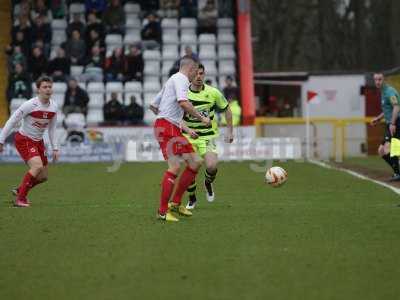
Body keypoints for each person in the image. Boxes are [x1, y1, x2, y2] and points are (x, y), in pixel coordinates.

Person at [149, 56, 211, 222]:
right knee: (175, 167)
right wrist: (201, 118)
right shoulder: (181, 79)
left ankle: (175, 203)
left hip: (170, 126)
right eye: (195, 72)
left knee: (195, 161)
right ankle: (162, 211)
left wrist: (182, 126)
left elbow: (153, 106)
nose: (195, 76)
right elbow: (183, 103)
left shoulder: (172, 80)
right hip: (167, 127)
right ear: (190, 69)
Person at [0, 76, 59, 207]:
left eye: (50, 87)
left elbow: (52, 129)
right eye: (44, 87)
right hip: (24, 139)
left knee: (43, 176)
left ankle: (20, 190)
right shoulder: (30, 105)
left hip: (38, 141)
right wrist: (1, 140)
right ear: (38, 89)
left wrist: (55, 148)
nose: (48, 89)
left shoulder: (54, 106)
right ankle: (20, 199)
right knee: (37, 166)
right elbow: (12, 121)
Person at [181, 64, 233, 209]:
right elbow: (177, 117)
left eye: (201, 74)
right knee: (191, 167)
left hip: (209, 136)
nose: (199, 77)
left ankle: (208, 182)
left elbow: (227, 110)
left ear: (204, 75)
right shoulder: (183, 94)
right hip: (189, 136)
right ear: (190, 75)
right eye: (196, 74)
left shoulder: (213, 92)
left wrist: (230, 131)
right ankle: (192, 198)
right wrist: (187, 129)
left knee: (211, 166)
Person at [371, 73, 400, 181]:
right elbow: (387, 109)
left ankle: (398, 173)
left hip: (396, 123)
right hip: (390, 124)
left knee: (389, 149)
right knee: (381, 151)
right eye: (376, 80)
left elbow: (396, 107)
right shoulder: (383, 92)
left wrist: (393, 123)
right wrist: (378, 119)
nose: (378, 82)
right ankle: (398, 170)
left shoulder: (389, 92)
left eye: (380, 79)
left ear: (384, 80)